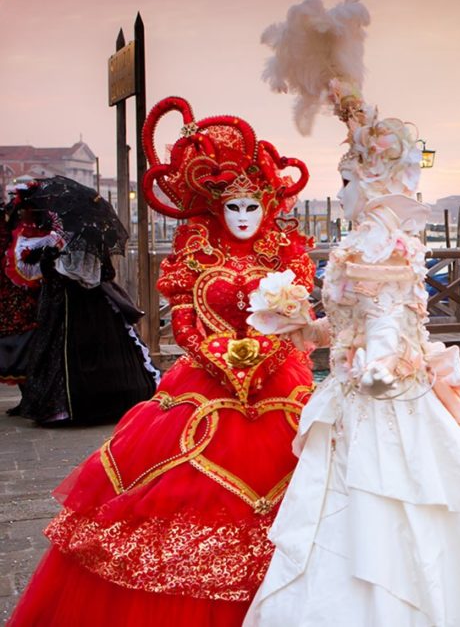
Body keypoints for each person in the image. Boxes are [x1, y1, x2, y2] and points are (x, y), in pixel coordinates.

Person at [243, 0, 460, 626]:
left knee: (397, 515)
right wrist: (302, 326)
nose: (339, 192)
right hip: (357, 398)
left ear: (371, 179)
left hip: (382, 406)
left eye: (346, 180)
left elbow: (390, 329)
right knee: (363, 518)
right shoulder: (369, 243)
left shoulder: (382, 243)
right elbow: (355, 327)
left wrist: (373, 362)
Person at [7, 98, 316, 626]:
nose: (242, 218)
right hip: (206, 384)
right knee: (169, 494)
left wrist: (271, 352)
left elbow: (298, 321)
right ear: (216, 208)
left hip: (277, 383)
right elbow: (186, 321)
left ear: (268, 208)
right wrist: (216, 355)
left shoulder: (285, 256)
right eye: (232, 208)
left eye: (252, 208)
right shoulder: (196, 255)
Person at [5, 177, 159, 425]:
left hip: (78, 304)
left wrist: (53, 261)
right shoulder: (62, 235)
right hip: (64, 303)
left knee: (79, 352)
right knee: (56, 352)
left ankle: (82, 406)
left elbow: (85, 274)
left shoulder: (83, 237)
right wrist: (49, 258)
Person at [0, 200, 39, 390]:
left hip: (21, 296)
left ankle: (29, 396)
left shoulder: (24, 236)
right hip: (10, 296)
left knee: (24, 346)